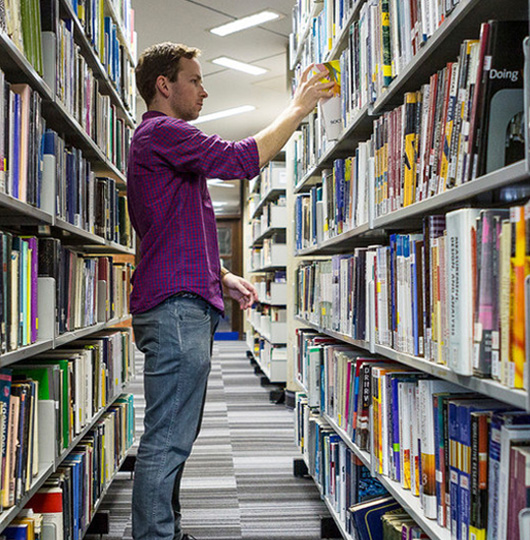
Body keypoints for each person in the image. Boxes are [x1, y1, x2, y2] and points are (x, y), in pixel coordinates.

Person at [126, 42, 334, 540]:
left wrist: (220, 275)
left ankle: (167, 531)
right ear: (164, 84)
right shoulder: (162, 132)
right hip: (175, 311)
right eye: (194, 79)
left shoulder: (160, 146)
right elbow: (242, 159)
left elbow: (171, 227)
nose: (203, 90)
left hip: (179, 300)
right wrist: (299, 107)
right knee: (168, 438)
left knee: (176, 433)